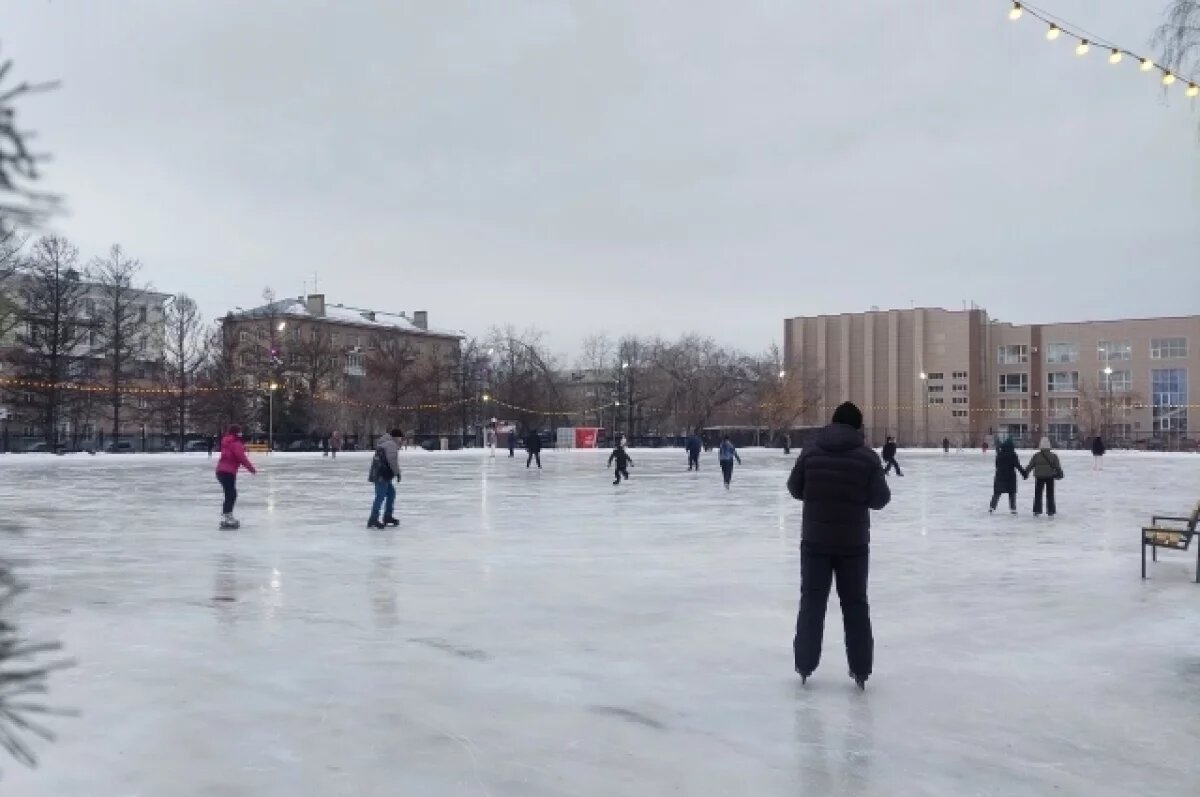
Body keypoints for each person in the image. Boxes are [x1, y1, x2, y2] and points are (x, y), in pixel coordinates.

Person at [787, 402, 890, 689]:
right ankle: (860, 669)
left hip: (815, 541)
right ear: (858, 427)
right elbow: (880, 500)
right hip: (853, 545)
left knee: (812, 602)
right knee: (855, 605)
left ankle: (804, 663)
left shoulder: (810, 451)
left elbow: (795, 489)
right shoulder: (867, 458)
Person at [215, 424, 256, 529]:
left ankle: (227, 514)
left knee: (230, 493)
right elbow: (241, 458)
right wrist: (251, 469)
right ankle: (227, 515)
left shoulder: (226, 441)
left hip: (220, 471)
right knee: (231, 494)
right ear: (236, 433)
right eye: (240, 431)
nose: (241, 433)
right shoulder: (236, 443)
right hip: (228, 472)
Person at [367, 428, 403, 529]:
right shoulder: (391, 444)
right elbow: (392, 461)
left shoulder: (386, 443)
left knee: (391, 493)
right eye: (400, 438)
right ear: (397, 437)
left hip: (381, 473)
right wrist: (397, 473)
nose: (401, 440)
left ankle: (387, 516)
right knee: (380, 496)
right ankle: (373, 519)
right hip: (381, 474)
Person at [1026, 437, 1063, 517]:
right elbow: (1057, 466)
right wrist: (1060, 473)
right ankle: (1050, 511)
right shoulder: (1053, 456)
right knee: (1050, 494)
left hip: (1039, 477)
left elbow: (1030, 465)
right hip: (1050, 476)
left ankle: (1037, 510)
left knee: (1038, 494)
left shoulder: (1036, 456)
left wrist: (1026, 473)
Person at [989, 439, 1028, 514]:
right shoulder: (1013, 454)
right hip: (1010, 476)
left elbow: (997, 465)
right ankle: (1013, 508)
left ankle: (992, 507)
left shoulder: (1000, 454)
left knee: (997, 492)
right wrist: (1024, 474)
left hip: (1000, 476)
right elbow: (1018, 466)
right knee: (1012, 492)